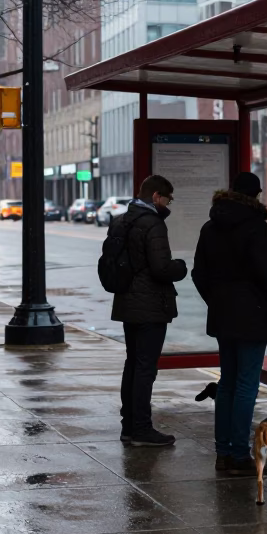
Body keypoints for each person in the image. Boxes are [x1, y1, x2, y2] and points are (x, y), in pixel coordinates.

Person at [191, 172, 267, 473]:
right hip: (252, 315)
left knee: (228, 383)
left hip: (223, 315)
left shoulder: (209, 227)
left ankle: (223, 453)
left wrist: (216, 301)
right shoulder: (255, 227)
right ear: (255, 196)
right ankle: (240, 455)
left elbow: (199, 274)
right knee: (246, 385)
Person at [109, 175, 188, 447]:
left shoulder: (121, 220)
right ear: (156, 196)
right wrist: (180, 266)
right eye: (167, 199)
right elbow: (161, 268)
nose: (168, 204)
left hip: (127, 304)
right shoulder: (152, 223)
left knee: (133, 365)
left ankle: (128, 426)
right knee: (145, 368)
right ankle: (142, 429)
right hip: (150, 306)